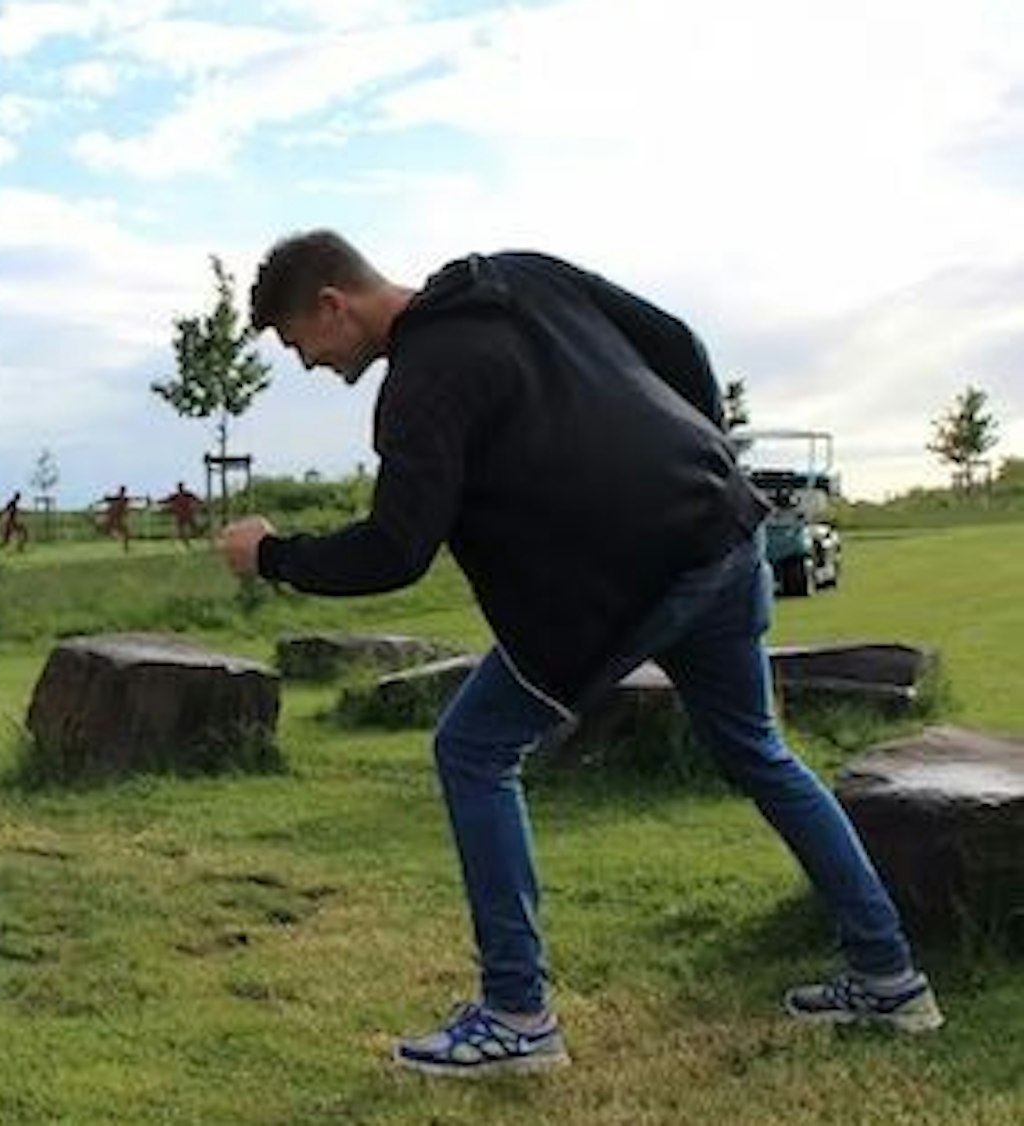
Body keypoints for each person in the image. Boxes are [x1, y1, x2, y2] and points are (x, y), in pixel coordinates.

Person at [217, 230, 939, 1078]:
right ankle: (890, 977)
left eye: (302, 345)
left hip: (620, 588)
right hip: (721, 532)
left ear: (334, 304)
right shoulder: (519, 276)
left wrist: (273, 555)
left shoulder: (420, 386)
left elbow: (395, 551)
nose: (309, 367)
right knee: (760, 753)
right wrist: (691, 456)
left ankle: (517, 1014)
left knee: (473, 749)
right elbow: (677, 342)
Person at [160, 481, 205, 545]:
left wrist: (200, 502)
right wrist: (160, 501)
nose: (180, 488)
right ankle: (188, 543)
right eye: (179, 487)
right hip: (182, 516)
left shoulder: (187, 494)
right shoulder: (176, 495)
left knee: (193, 528)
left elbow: (196, 499)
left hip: (187, 514)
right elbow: (166, 500)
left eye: (180, 486)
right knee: (183, 530)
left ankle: (199, 538)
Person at [97, 485, 132, 551]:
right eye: (122, 491)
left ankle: (126, 547)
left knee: (126, 532)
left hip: (117, 518)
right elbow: (110, 500)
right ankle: (124, 545)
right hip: (114, 518)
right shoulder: (119, 498)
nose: (122, 492)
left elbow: (125, 508)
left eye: (123, 491)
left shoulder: (123, 499)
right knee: (123, 531)